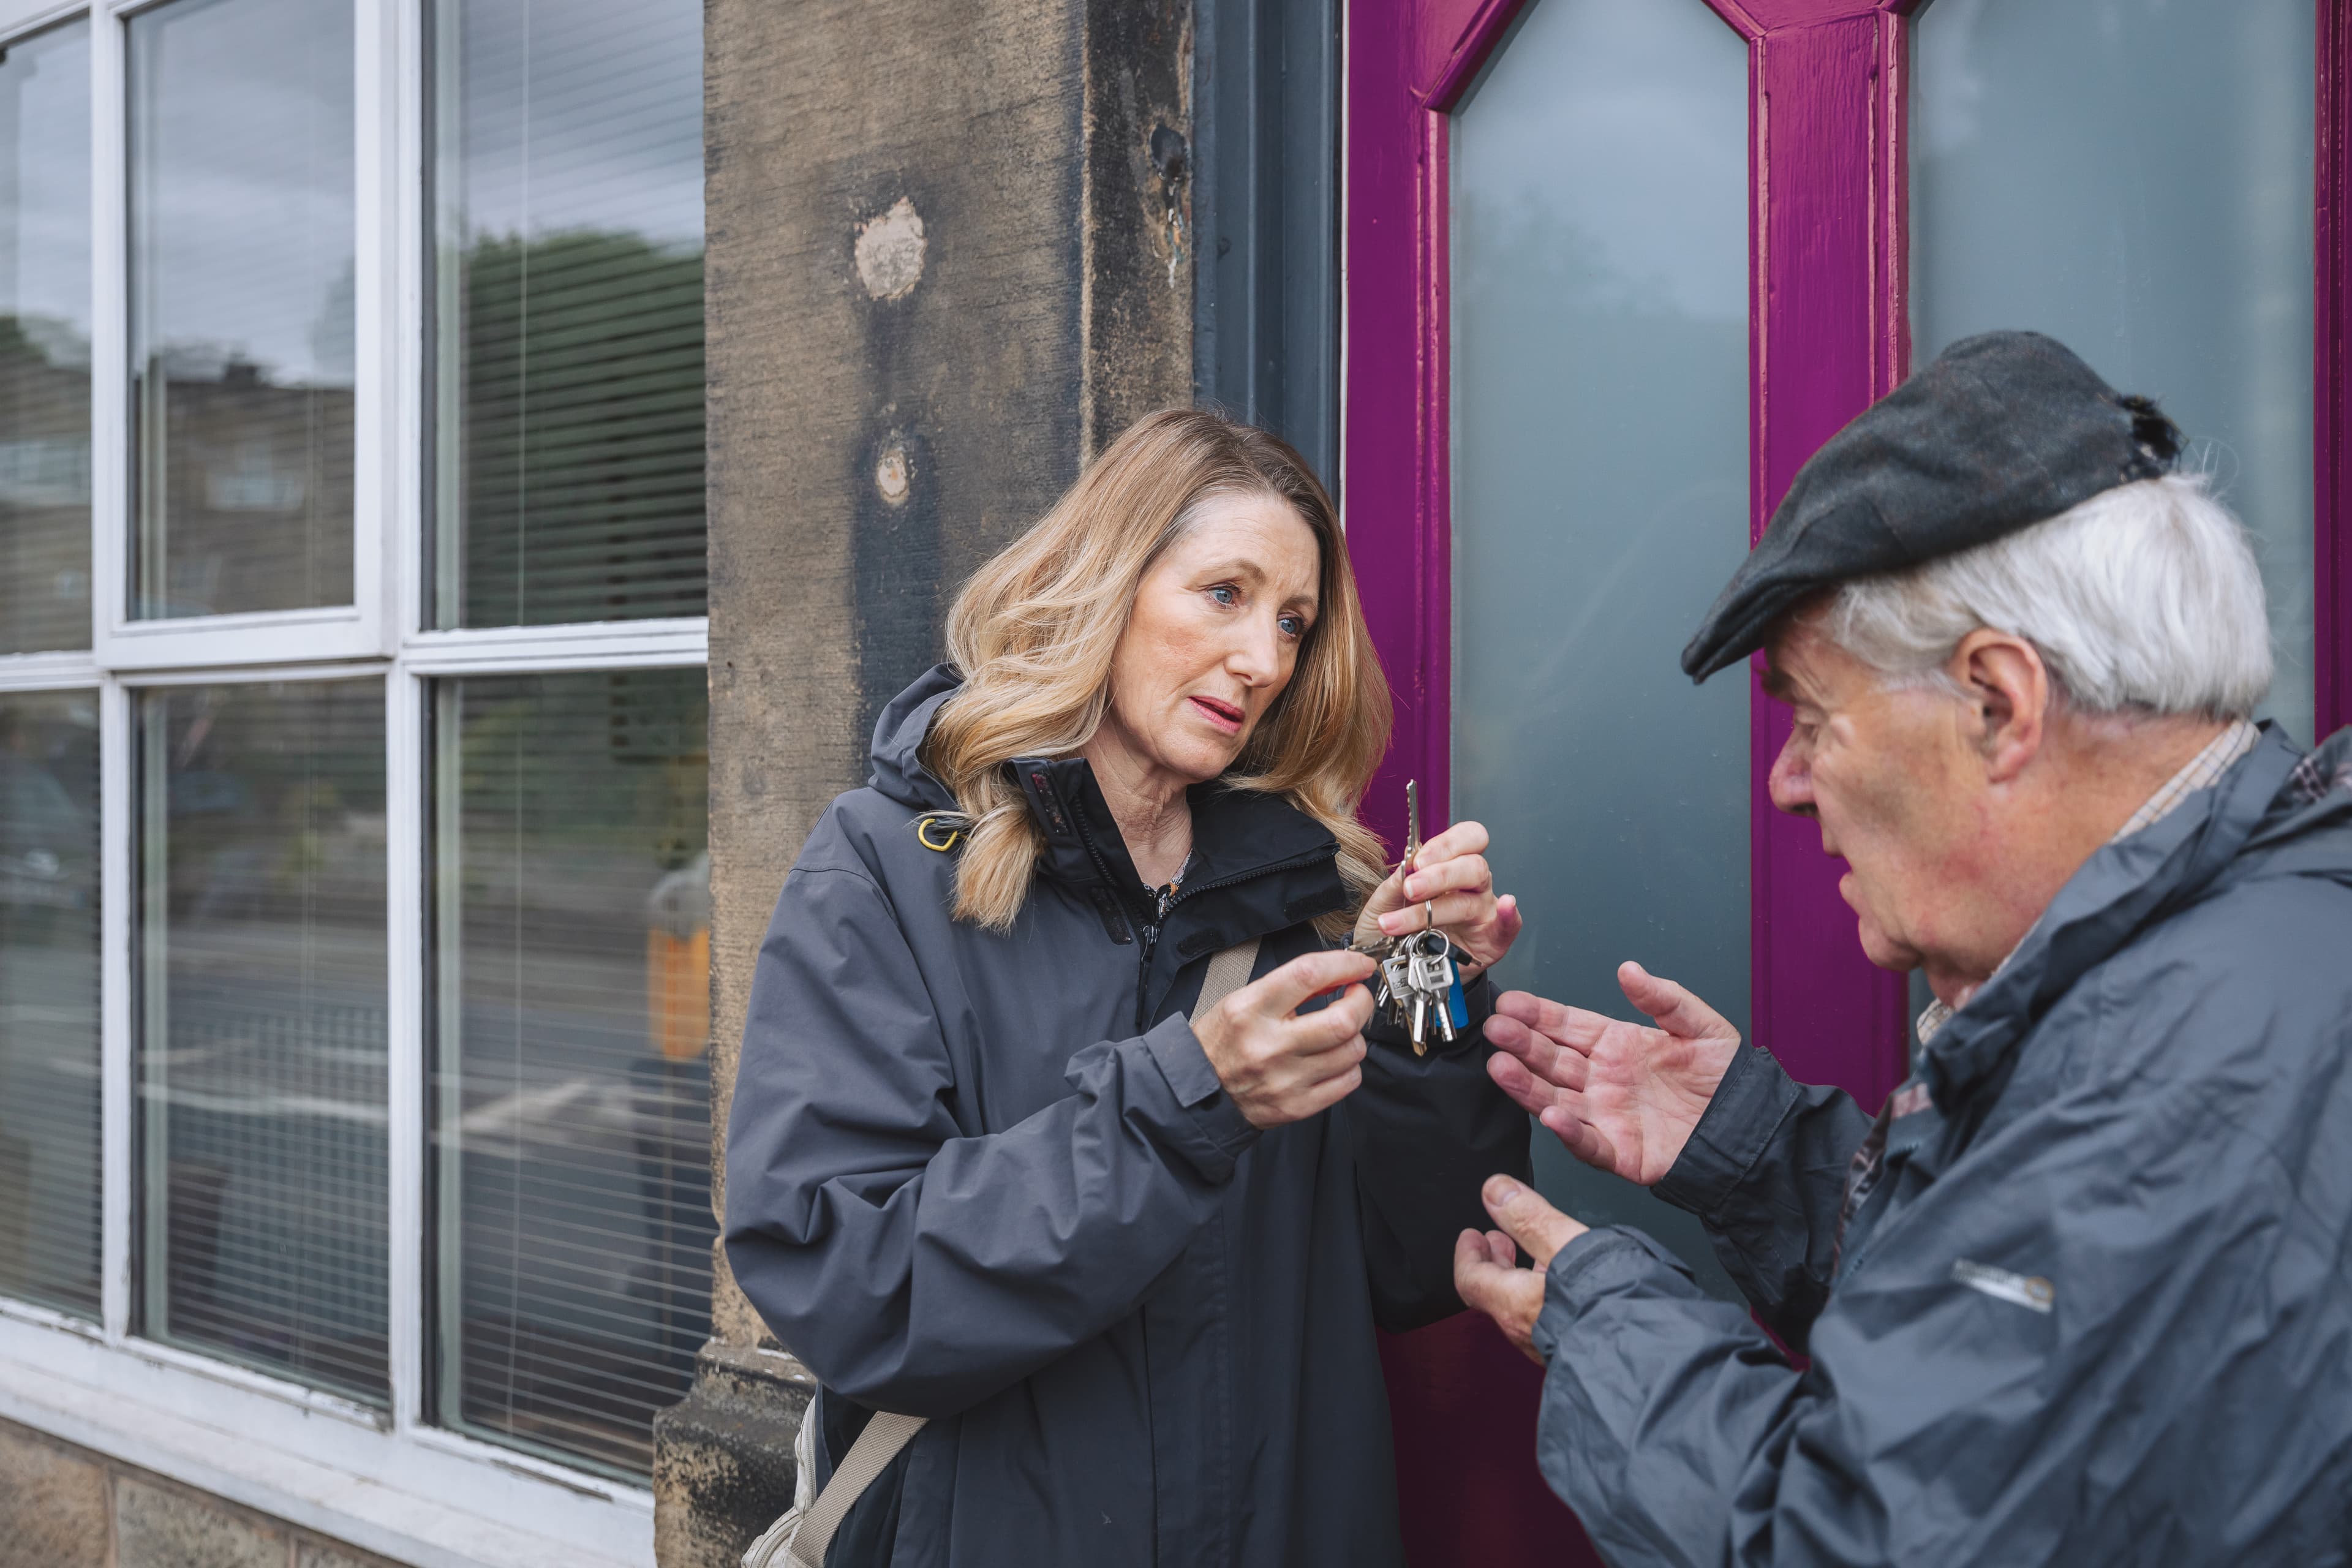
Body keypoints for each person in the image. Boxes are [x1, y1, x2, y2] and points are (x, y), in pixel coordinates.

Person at [1451, 331, 2352, 1565]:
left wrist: (1606, 1318)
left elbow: (1847, 1543)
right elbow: (2032, 1378)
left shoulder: (2179, 1075)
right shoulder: (2250, 944)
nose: (1783, 782)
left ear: (1998, 702)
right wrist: (1764, 1155)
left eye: (1815, 718)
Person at [726, 409, 1532, 1567]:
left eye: (1293, 622)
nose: (1263, 661)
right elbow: (852, 1284)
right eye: (1225, 594)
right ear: (1107, 582)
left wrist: (1428, 1002)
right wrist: (1185, 1101)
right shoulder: (887, 868)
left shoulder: (1308, 899)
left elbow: (1418, 1264)